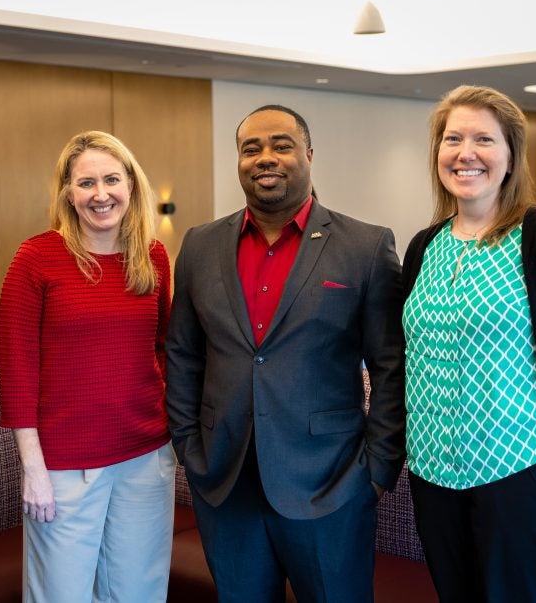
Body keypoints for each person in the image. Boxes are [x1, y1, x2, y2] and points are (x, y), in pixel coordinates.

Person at [166, 105, 407, 602]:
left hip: (331, 485)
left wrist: (377, 470)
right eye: (250, 149)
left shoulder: (364, 246)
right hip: (225, 483)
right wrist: (189, 446)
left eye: (281, 145)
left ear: (309, 155)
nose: (265, 158)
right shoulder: (199, 245)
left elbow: (391, 366)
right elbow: (184, 354)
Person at [401, 85, 536, 603]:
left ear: (510, 155)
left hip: (523, 468)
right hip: (434, 475)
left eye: (484, 138)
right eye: (452, 138)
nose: (466, 153)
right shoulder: (424, 245)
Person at [0, 131, 174, 603]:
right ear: (68, 194)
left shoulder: (153, 258)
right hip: (63, 464)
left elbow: (163, 350)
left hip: (145, 455)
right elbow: (16, 369)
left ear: (131, 186)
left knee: (139, 592)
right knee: (62, 594)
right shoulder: (35, 259)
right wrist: (32, 466)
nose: (101, 194)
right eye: (86, 183)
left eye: (112, 179)